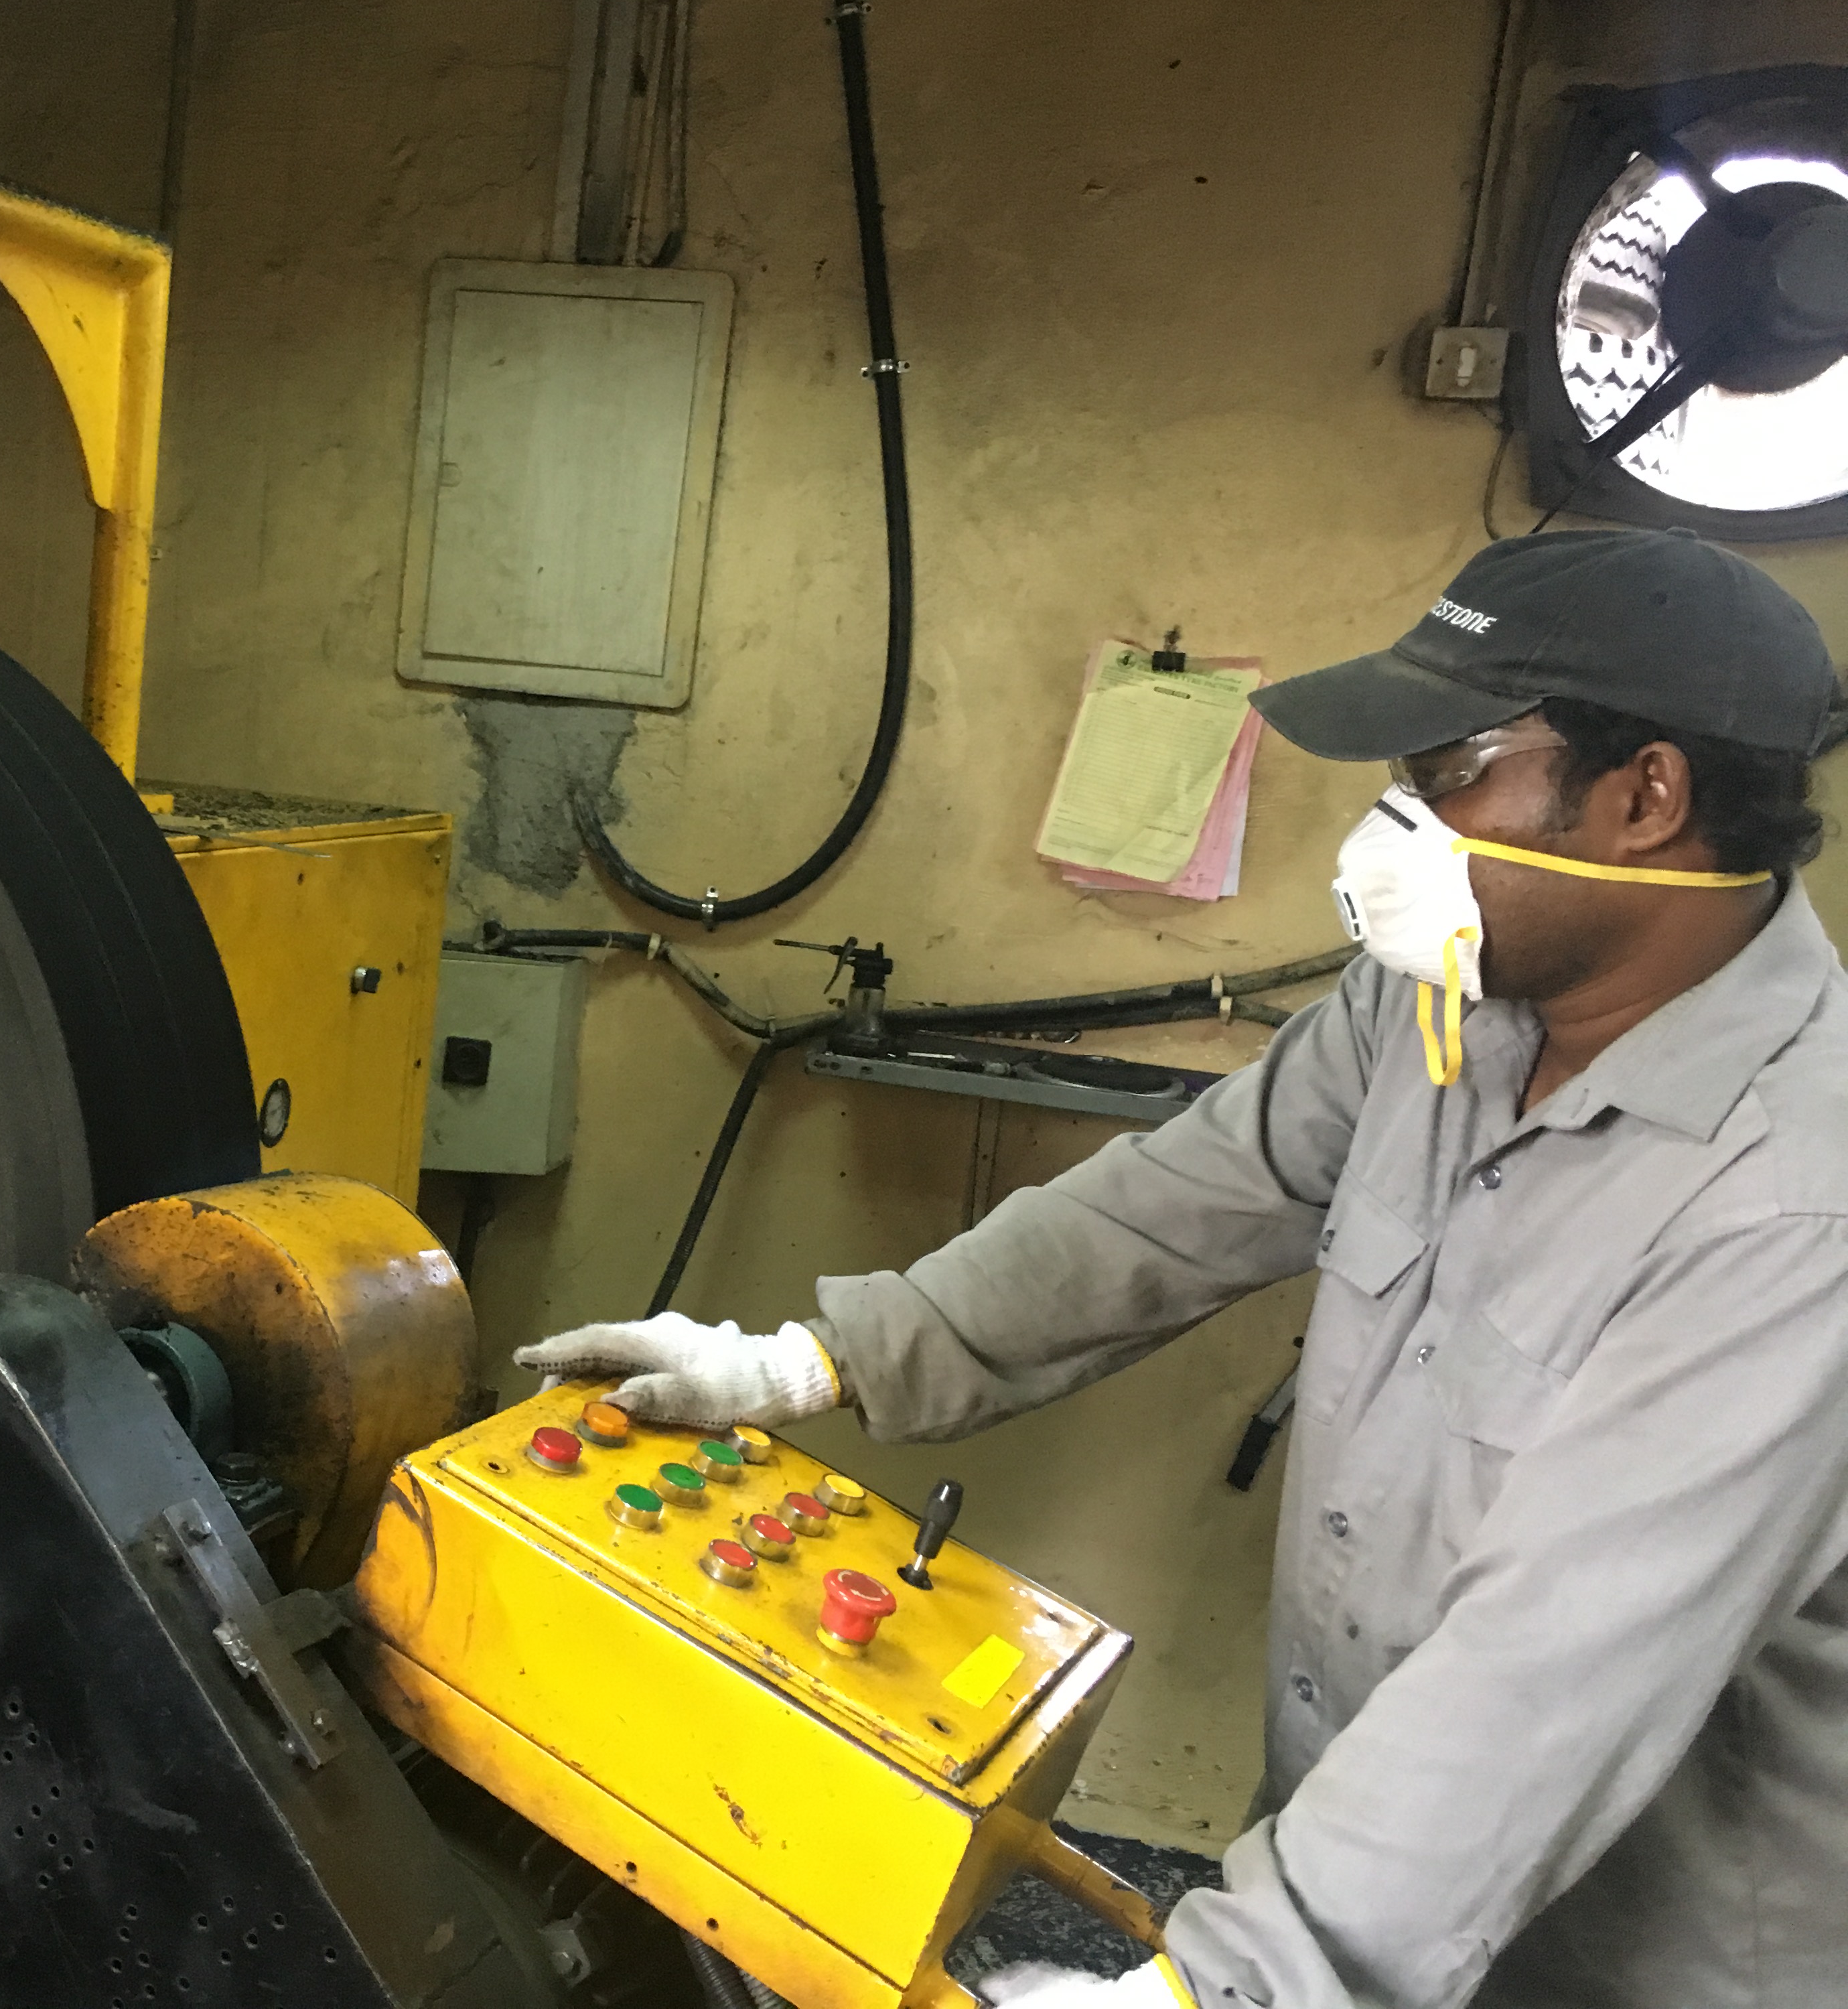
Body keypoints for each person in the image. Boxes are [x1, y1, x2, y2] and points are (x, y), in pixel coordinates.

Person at [518, 529, 1848, 2009]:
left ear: (1645, 799)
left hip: (1627, 1959)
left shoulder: (1798, 1207)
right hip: (1355, 1878)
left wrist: (1205, 1992)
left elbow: (1557, 1667)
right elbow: (1166, 1211)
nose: (1395, 821)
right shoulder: (1440, 1011)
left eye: (1447, 770)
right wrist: (813, 1363)